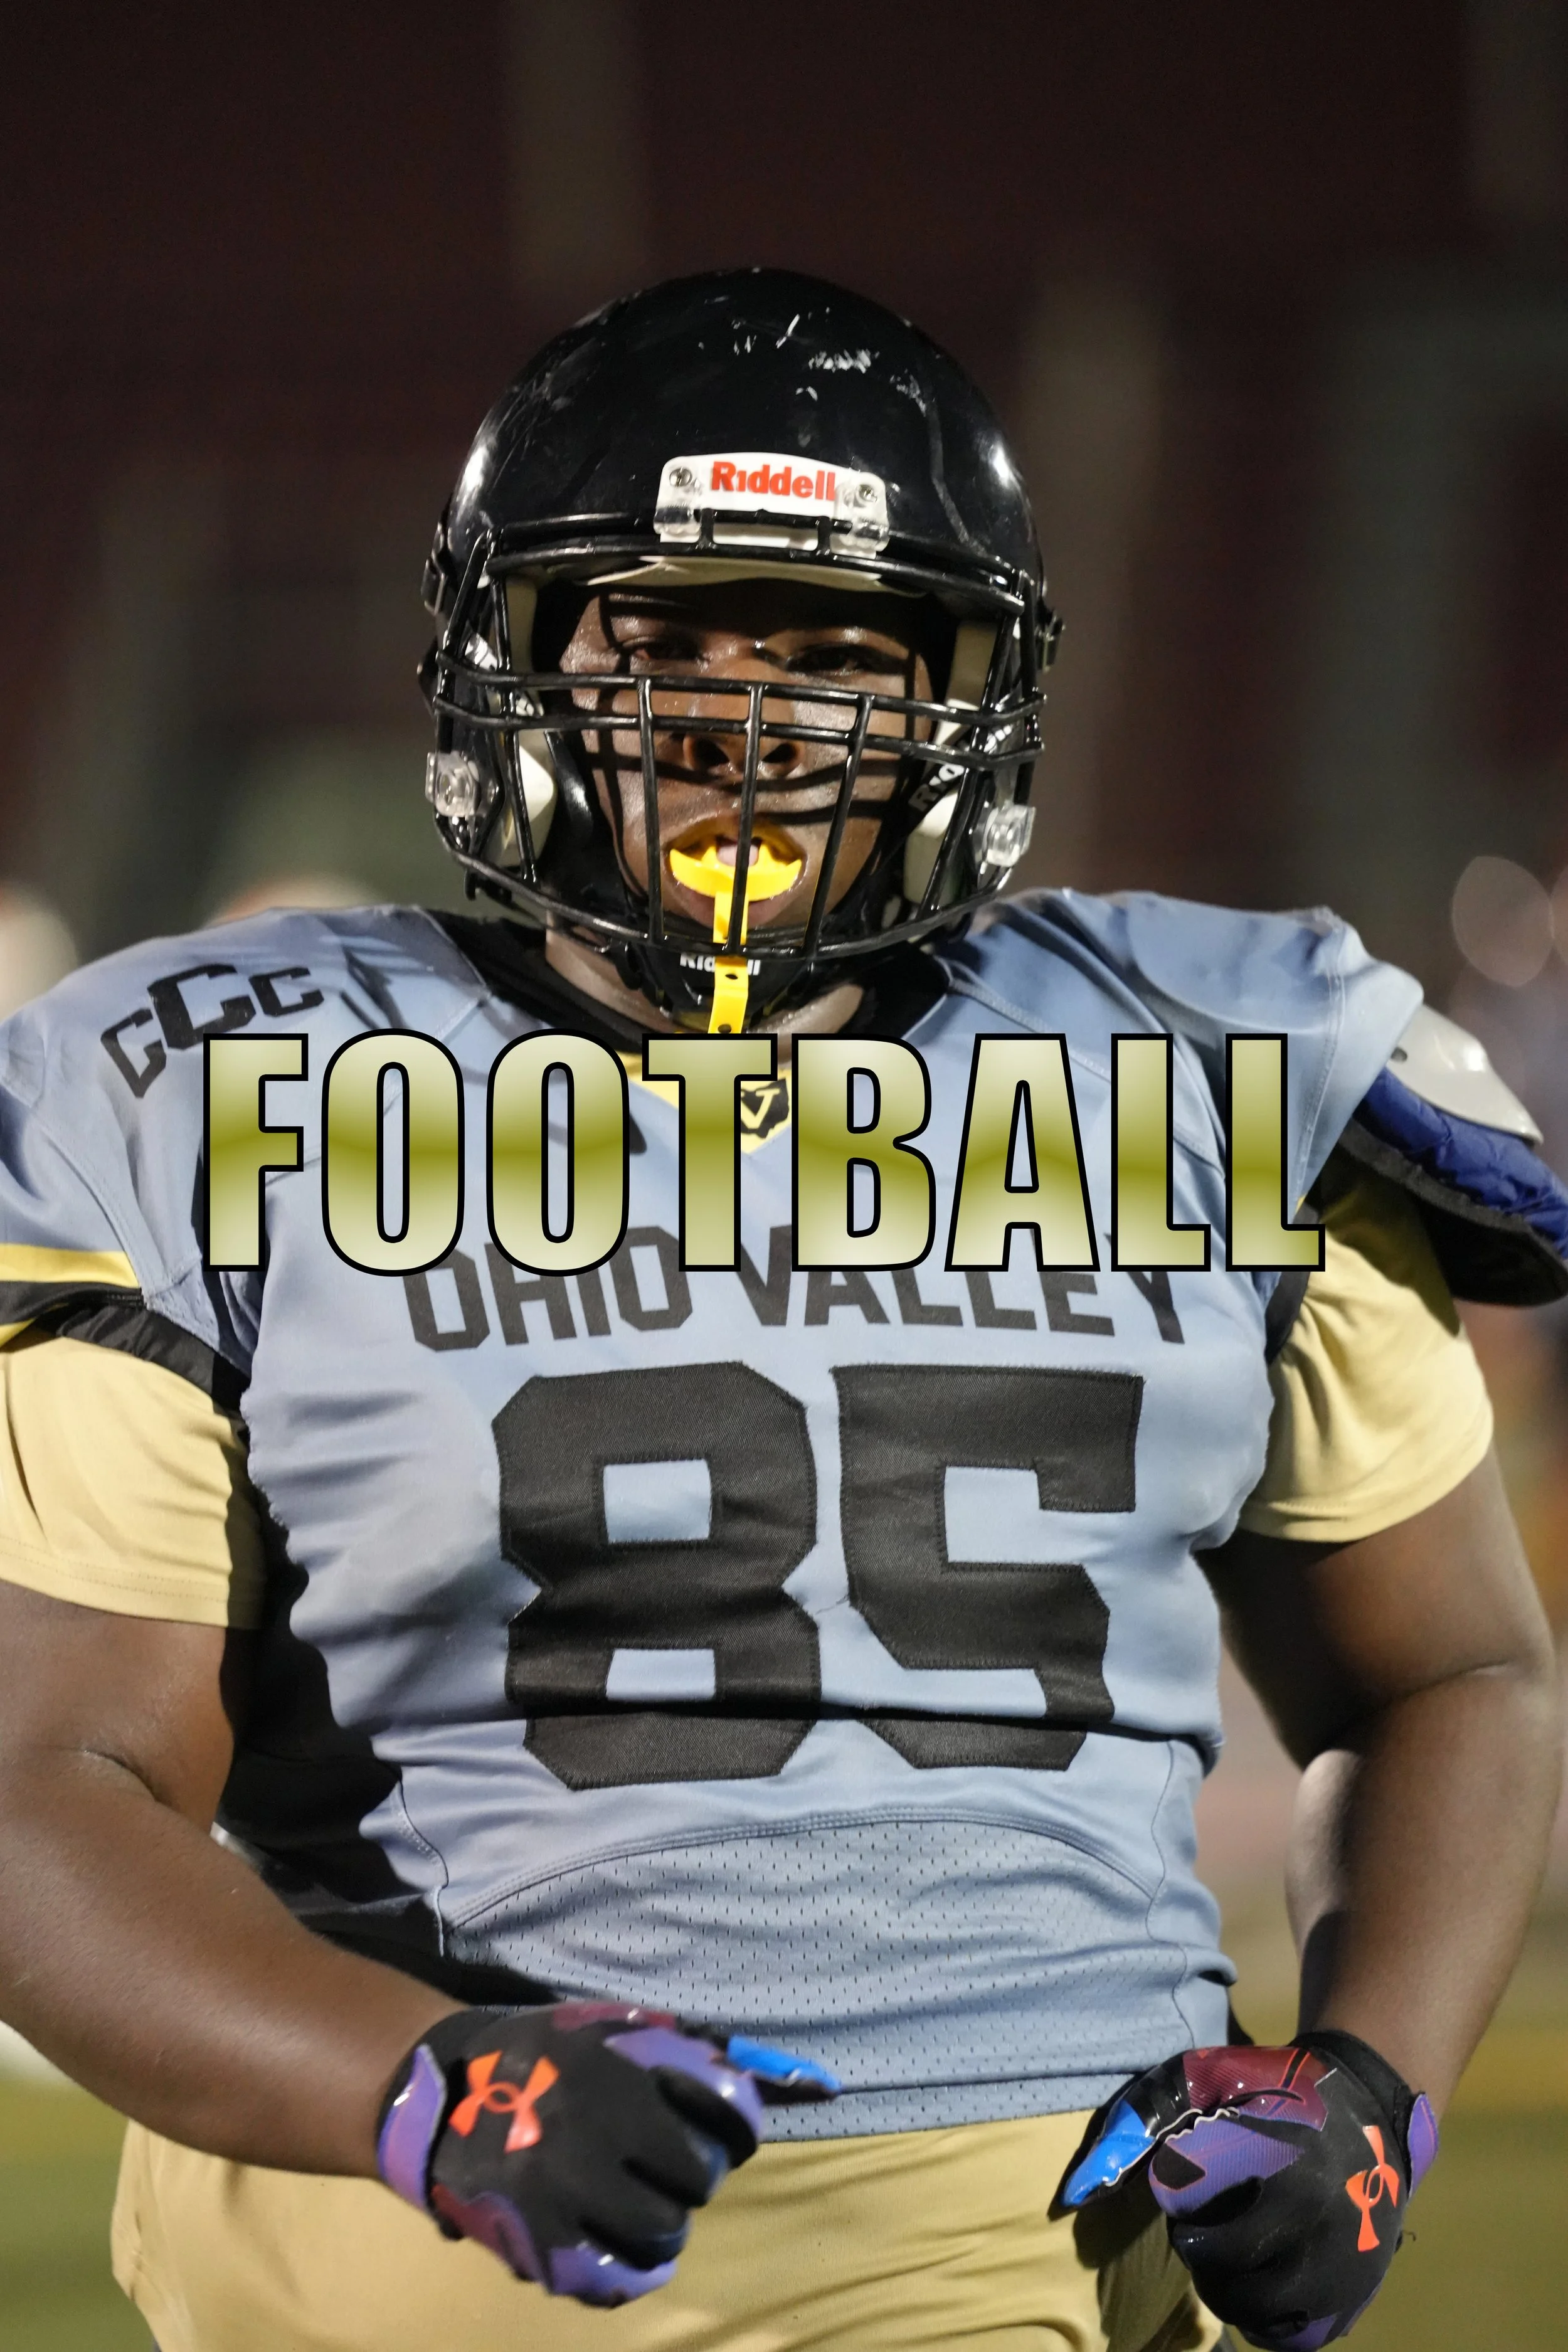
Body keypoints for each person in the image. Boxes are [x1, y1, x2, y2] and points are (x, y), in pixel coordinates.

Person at [0, 270, 1562, 2352]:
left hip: (1027, 2274)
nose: (750, 723)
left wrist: (1365, 2082)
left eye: (837, 652)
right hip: (401, 2261)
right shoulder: (203, 1081)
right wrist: (407, 2085)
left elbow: (1453, 1669)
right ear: (518, 657)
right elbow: (43, 1784)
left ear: (964, 693)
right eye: (665, 639)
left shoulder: (1222, 1053)